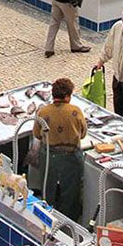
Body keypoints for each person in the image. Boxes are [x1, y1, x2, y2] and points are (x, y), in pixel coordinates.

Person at [34, 77, 87, 222]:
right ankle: (68, 223)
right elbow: (83, 134)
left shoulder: (43, 111)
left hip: (49, 156)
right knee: (70, 193)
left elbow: (36, 134)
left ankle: (46, 219)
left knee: (47, 189)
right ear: (68, 96)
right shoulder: (75, 111)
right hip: (71, 157)